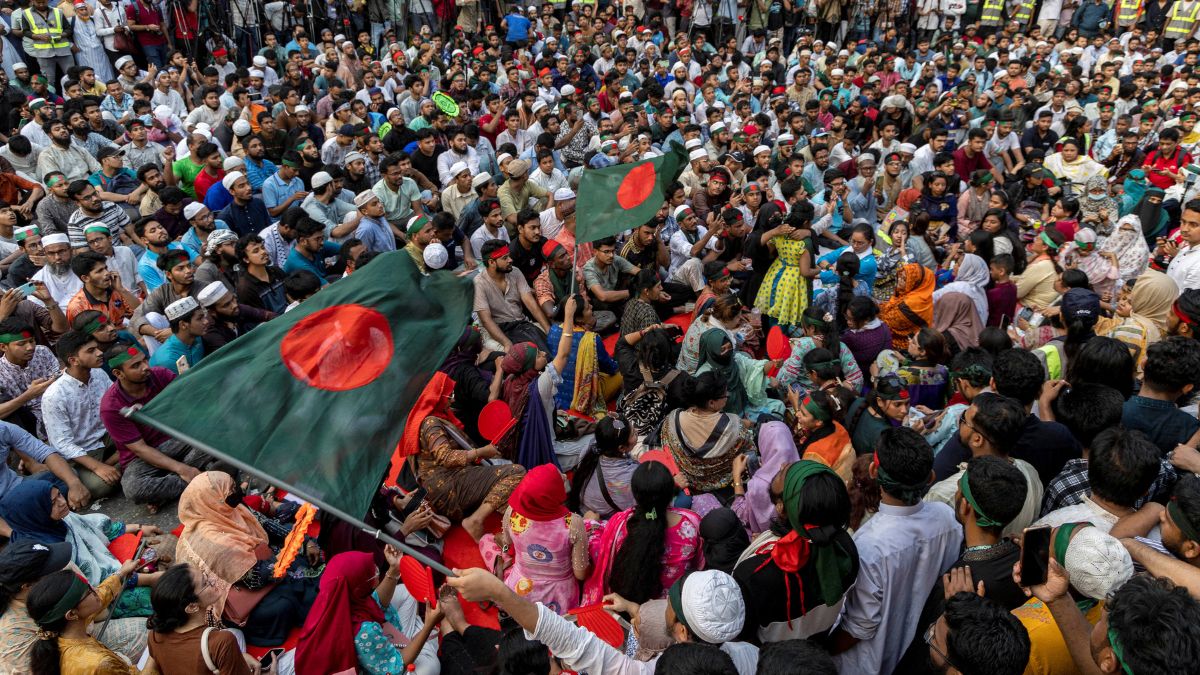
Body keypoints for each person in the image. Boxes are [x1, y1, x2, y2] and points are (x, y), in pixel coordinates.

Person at [829, 427, 961, 674]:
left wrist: (823, 649)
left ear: (873, 471)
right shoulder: (948, 520)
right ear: (930, 477)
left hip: (872, 662)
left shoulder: (869, 544)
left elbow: (860, 626)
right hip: (922, 656)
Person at [176, 471, 316, 647]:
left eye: (235, 486)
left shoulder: (227, 508)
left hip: (257, 563)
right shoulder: (213, 542)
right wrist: (292, 550)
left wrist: (304, 542)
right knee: (284, 602)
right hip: (238, 591)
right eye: (231, 491)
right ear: (213, 500)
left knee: (295, 545)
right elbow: (257, 578)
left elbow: (266, 524)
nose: (238, 493)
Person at [732, 460, 859, 643]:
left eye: (786, 476)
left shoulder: (755, 574)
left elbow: (743, 636)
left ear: (782, 509)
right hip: (816, 645)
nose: (783, 465)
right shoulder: (846, 549)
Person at [0, 481, 160, 618]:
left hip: (118, 574)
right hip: (92, 601)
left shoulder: (60, 519)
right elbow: (88, 591)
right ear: (35, 513)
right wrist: (149, 579)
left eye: (59, 495)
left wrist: (138, 528)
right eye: (53, 503)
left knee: (156, 552)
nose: (62, 502)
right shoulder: (42, 556)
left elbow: (95, 527)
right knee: (153, 598)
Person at [401, 372, 525, 542]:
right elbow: (446, 457)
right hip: (448, 488)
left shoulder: (433, 419)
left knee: (500, 470)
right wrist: (481, 452)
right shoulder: (430, 423)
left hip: (443, 486)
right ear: (438, 396)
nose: (453, 399)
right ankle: (475, 520)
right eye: (449, 395)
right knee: (516, 472)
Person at [98, 344, 228, 508]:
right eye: (136, 365)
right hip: (143, 456)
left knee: (219, 430)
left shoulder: (160, 374)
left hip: (178, 438)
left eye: (144, 359)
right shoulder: (111, 406)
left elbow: (190, 407)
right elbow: (140, 449)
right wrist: (183, 470)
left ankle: (172, 490)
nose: (145, 367)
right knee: (133, 488)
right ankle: (202, 475)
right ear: (118, 374)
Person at [295, 550, 441, 675]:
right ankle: (421, 639)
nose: (376, 570)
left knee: (406, 592)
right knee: (430, 666)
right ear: (359, 588)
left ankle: (412, 635)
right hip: (382, 664)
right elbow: (395, 668)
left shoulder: (337, 599)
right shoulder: (365, 631)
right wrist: (429, 625)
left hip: (376, 642)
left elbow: (375, 602)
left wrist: (394, 569)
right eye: (372, 571)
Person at [581, 460, 703, 606]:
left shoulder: (621, 523)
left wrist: (591, 526)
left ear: (635, 494)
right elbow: (698, 565)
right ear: (671, 492)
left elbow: (601, 553)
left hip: (628, 603)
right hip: (675, 606)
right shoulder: (691, 523)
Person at [924, 392, 1041, 537]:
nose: (960, 422)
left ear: (977, 439)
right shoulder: (1031, 474)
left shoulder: (946, 494)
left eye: (963, 420)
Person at [480, 464, 588, 614]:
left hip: (520, 589)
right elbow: (580, 574)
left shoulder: (512, 512)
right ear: (553, 495)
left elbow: (507, 543)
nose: (564, 476)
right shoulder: (573, 523)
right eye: (560, 478)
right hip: (560, 596)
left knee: (485, 539)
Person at [25, 564, 156, 675]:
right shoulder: (99, 664)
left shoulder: (63, 632)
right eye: (88, 592)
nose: (95, 589)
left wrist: (120, 574)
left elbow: (102, 593)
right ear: (71, 614)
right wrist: (155, 649)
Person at [41, 330, 119, 499]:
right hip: (83, 451)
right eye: (91, 351)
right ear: (73, 360)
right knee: (101, 486)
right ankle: (120, 460)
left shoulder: (98, 373)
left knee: (146, 437)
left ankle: (116, 461)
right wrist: (97, 467)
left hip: (108, 436)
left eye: (97, 348)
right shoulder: (54, 395)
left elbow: (115, 406)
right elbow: (62, 443)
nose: (99, 353)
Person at [145, 563, 259, 675]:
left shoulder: (155, 636)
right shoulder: (222, 642)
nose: (213, 579)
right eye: (205, 583)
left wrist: (235, 657)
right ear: (192, 607)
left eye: (205, 575)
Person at [660, 371, 752, 494]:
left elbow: (667, 449)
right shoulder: (733, 426)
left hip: (689, 484)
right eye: (725, 396)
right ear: (711, 403)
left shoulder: (672, 420)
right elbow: (748, 450)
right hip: (725, 486)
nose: (727, 397)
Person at [568, 415, 639, 520]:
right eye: (633, 433)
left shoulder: (590, 448)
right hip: (600, 521)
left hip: (581, 509)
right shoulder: (628, 478)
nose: (637, 431)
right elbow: (634, 507)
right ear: (621, 448)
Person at [879, 263, 935, 350]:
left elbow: (888, 323)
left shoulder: (914, 304)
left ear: (915, 283)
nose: (899, 280)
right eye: (900, 276)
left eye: (905, 279)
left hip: (900, 345)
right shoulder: (914, 293)